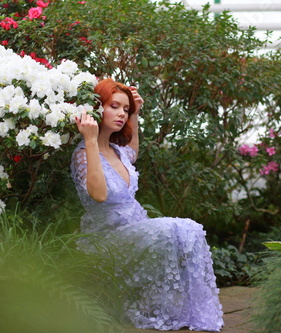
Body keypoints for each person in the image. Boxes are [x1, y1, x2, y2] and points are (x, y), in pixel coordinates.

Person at [70, 78, 224, 331]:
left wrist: (136, 115)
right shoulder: (82, 153)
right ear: (97, 108)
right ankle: (154, 308)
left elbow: (133, 151)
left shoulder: (119, 151)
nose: (121, 114)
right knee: (170, 229)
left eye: (126, 109)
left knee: (191, 229)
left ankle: (186, 310)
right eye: (114, 106)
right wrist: (89, 139)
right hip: (104, 239)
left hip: (134, 230)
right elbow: (98, 195)